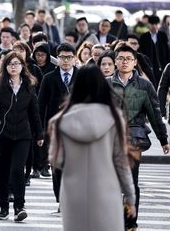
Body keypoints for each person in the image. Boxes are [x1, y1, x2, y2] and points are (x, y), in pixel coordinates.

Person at [48, 63, 136, 231]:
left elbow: (56, 160)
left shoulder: (60, 121)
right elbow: (121, 162)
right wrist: (130, 198)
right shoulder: (115, 117)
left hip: (73, 192)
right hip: (106, 190)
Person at [109, 45, 170, 230]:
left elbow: (155, 113)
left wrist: (163, 139)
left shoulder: (145, 85)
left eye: (129, 58)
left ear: (135, 62)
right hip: (108, 139)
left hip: (133, 140)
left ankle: (129, 223)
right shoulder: (105, 84)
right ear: (115, 61)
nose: (125, 61)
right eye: (121, 58)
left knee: (130, 183)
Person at [0, 51, 44, 221]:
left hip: (23, 136)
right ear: (5, 66)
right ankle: (3, 207)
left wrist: (39, 134)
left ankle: (19, 206)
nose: (13, 66)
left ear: (22, 66)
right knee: (1, 172)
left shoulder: (28, 85)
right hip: (2, 135)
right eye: (10, 64)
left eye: (17, 63)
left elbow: (34, 113)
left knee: (17, 170)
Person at [38, 43, 78, 212]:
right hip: (54, 130)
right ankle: (61, 199)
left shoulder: (82, 76)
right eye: (62, 57)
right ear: (57, 59)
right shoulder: (49, 78)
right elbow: (40, 105)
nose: (66, 61)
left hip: (78, 130)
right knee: (57, 166)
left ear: (74, 58)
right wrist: (39, 130)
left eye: (69, 57)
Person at [139, 15, 170, 83]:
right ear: (148, 24)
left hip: (162, 65)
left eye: (156, 24)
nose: (154, 26)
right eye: (152, 24)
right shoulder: (144, 37)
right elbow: (141, 52)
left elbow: (167, 51)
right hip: (149, 66)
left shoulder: (163, 35)